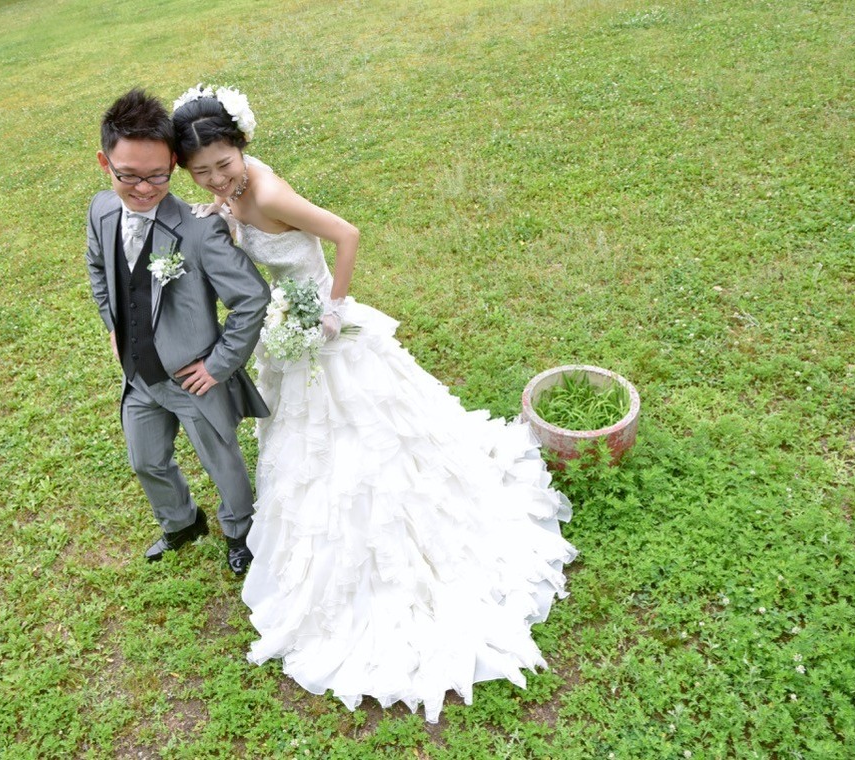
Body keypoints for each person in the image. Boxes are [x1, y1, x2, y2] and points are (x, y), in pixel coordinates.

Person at [171, 85, 578, 723]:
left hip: (322, 327)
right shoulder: (228, 195)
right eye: (201, 173)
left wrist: (331, 310)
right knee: (307, 442)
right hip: (288, 326)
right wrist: (220, 212)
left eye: (224, 164)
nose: (217, 178)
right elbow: (233, 224)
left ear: (241, 145)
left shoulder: (270, 192)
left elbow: (346, 234)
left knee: (368, 435)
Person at [85, 88, 271, 575]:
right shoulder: (101, 211)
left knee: (222, 462)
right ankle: (181, 521)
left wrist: (218, 365)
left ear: (174, 163)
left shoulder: (197, 231)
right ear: (105, 163)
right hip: (140, 374)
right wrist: (116, 327)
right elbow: (99, 273)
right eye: (128, 176)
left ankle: (241, 530)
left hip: (192, 378)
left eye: (157, 176)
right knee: (145, 460)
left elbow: (251, 298)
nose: (144, 189)